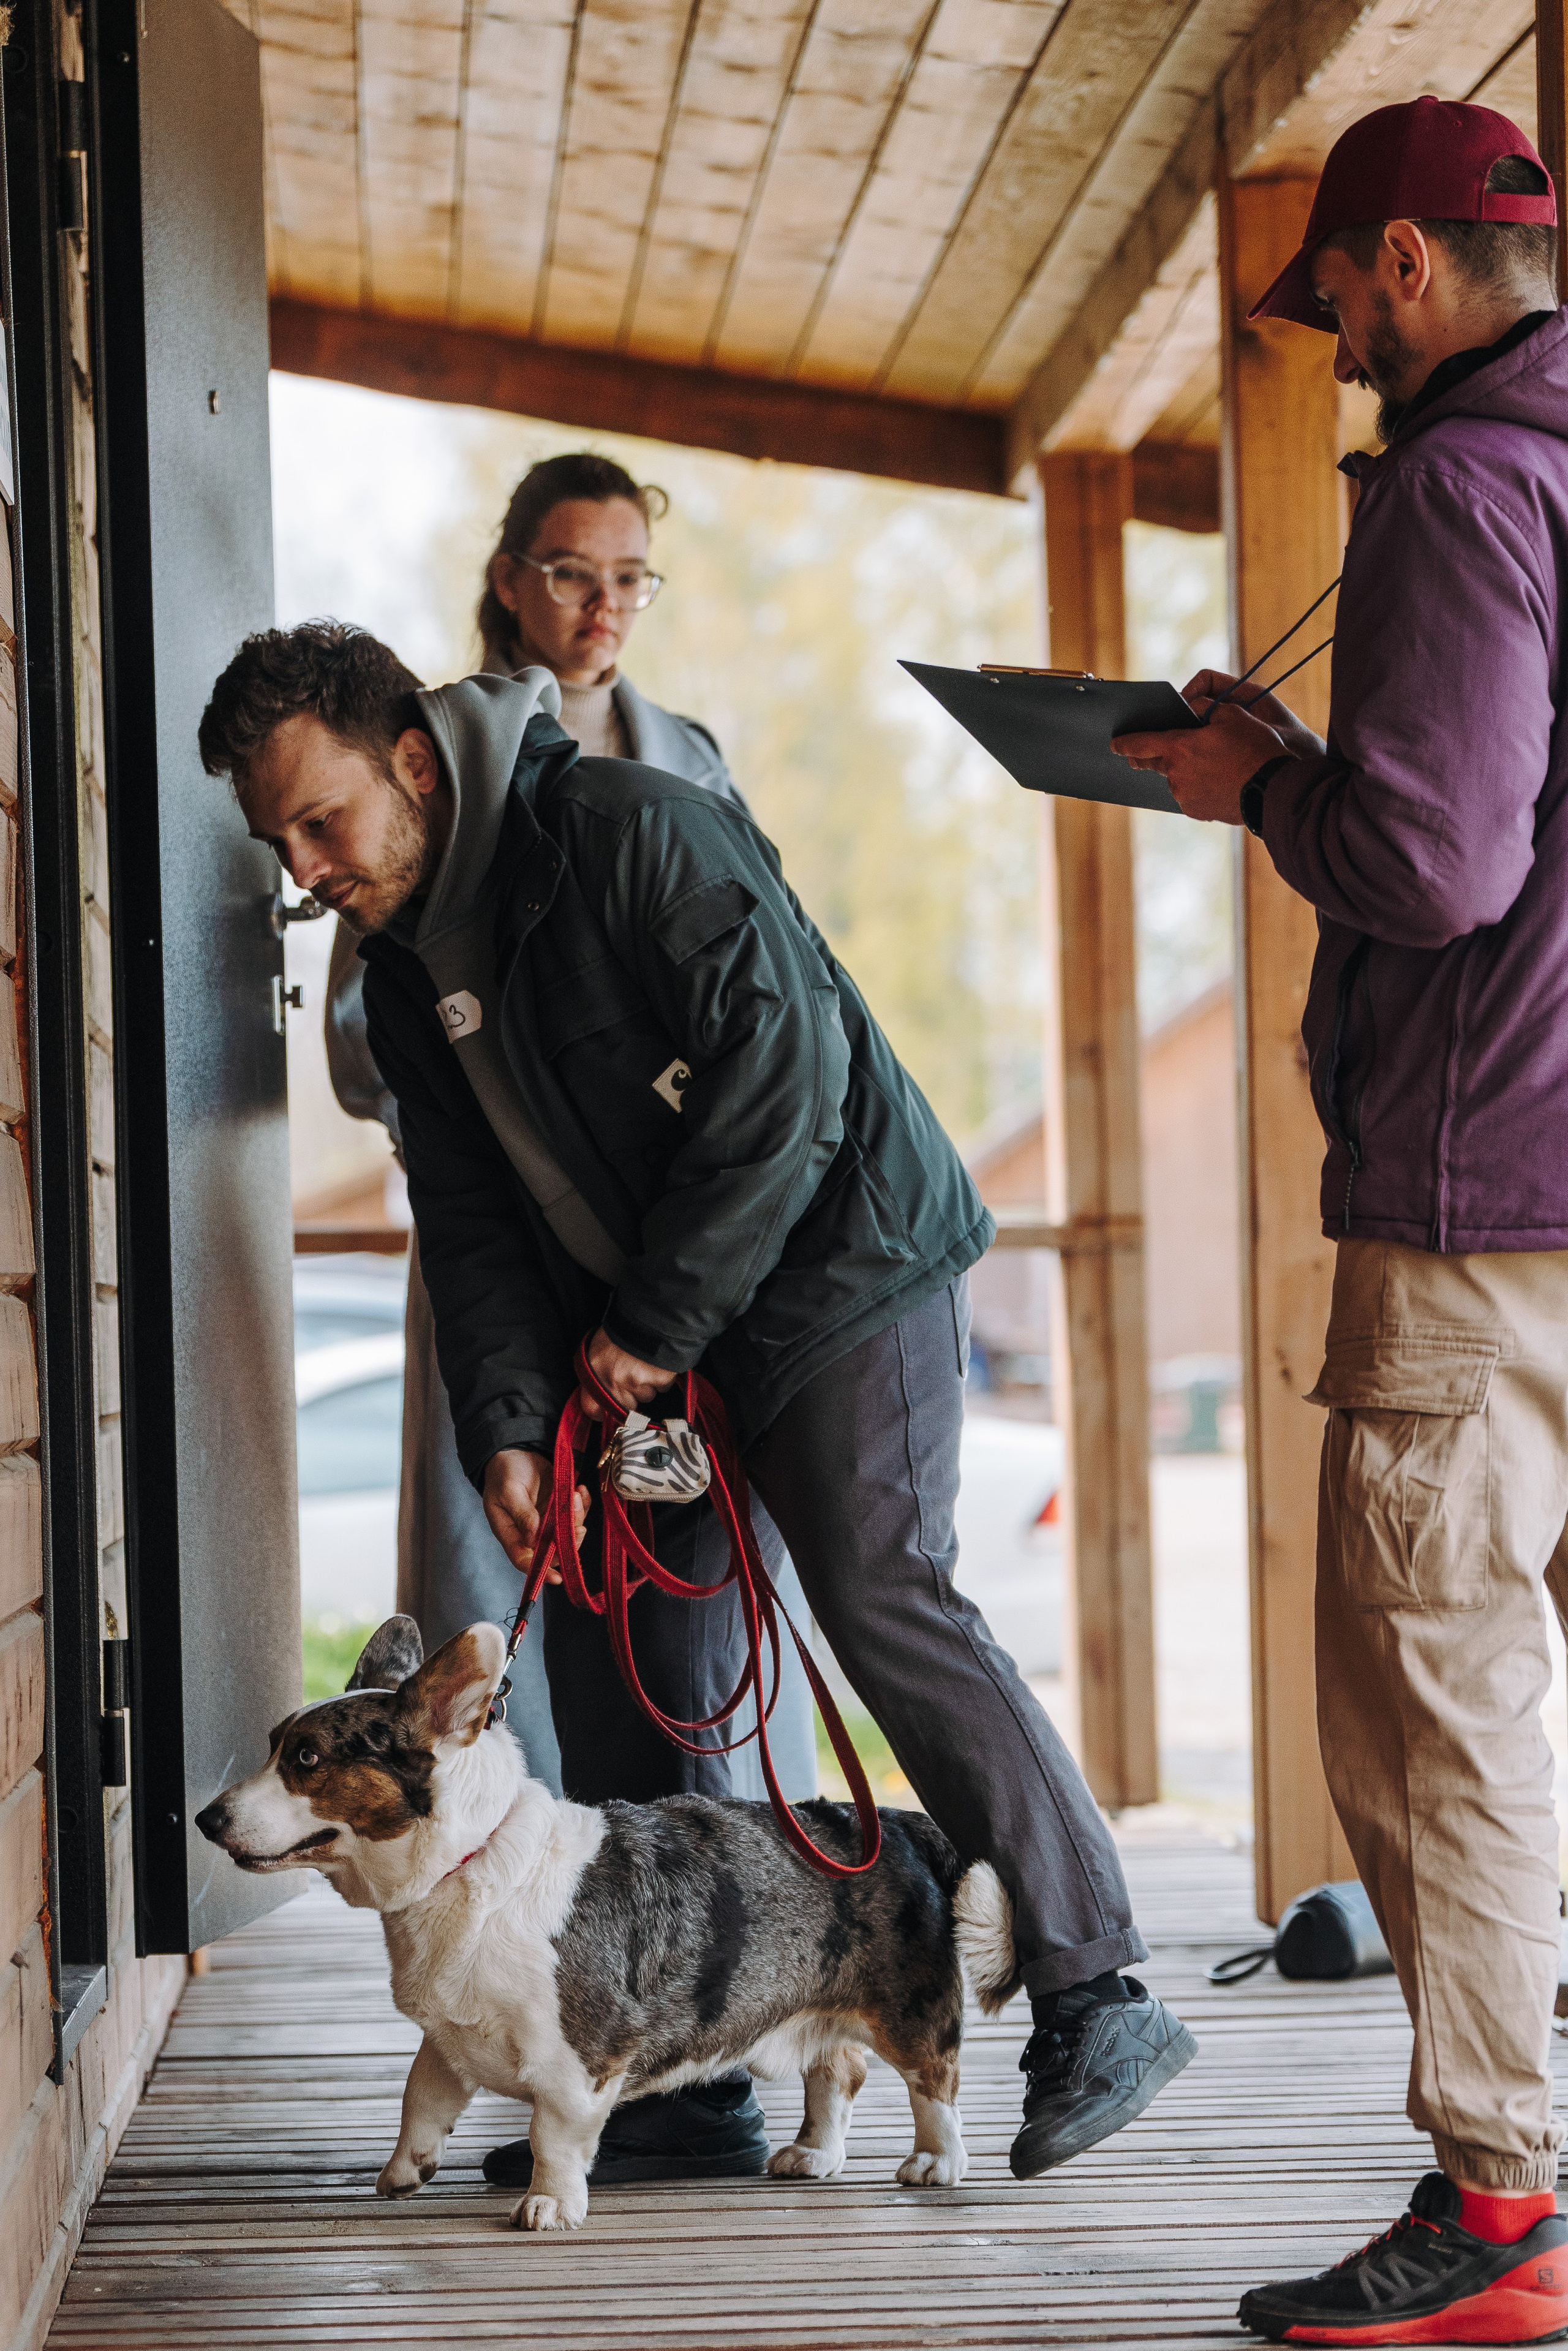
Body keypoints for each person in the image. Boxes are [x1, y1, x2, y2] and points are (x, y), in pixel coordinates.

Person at [200, 618, 1196, 2195]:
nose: (309, 864)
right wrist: (512, 1426)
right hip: (656, 1328)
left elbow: (784, 1084)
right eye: (280, 843)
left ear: (406, 759)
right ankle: (687, 2059)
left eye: (321, 820)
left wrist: (653, 1328)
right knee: (635, 1643)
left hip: (840, 1267)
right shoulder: (395, 980)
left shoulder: (632, 831)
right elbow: (467, 1230)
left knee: (878, 1591)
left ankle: (1094, 1988)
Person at [1114, 94, 1568, 2347]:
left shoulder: (1471, 487)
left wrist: (1254, 783)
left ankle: (1501, 2209)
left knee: (1431, 1713)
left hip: (1486, 1202)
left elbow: (1442, 866)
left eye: (1343, 309)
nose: (1347, 355)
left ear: (1400, 263)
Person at [323, 451, 818, 1812]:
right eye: (571, 574)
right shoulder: (407, 768)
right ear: (508, 580)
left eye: (629, 580)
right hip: (502, 1239)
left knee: (673, 1554)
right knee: (512, 1543)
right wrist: (490, 1064)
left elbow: (774, 1001)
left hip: (666, 1266)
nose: (604, 606)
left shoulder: (690, 763)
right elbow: (363, 1040)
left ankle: (703, 1840)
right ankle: (504, 1834)